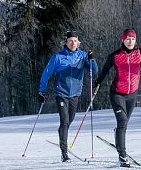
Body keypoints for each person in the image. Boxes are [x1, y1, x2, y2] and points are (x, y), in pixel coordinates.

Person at [94, 29, 141, 167]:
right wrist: (98, 82)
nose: (130, 41)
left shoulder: (140, 52)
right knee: (122, 121)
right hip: (117, 93)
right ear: (123, 40)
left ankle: (118, 133)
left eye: (133, 39)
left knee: (124, 124)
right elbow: (105, 70)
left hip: (132, 94)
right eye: (128, 39)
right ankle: (122, 156)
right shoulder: (116, 55)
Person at [38, 30, 98, 162]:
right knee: (65, 121)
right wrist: (41, 91)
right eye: (70, 41)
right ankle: (64, 153)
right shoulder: (58, 57)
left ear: (78, 42)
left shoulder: (82, 56)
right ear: (66, 42)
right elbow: (46, 73)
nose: (73, 43)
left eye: (75, 41)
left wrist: (92, 59)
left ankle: (61, 132)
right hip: (61, 93)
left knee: (69, 120)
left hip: (75, 94)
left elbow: (94, 70)